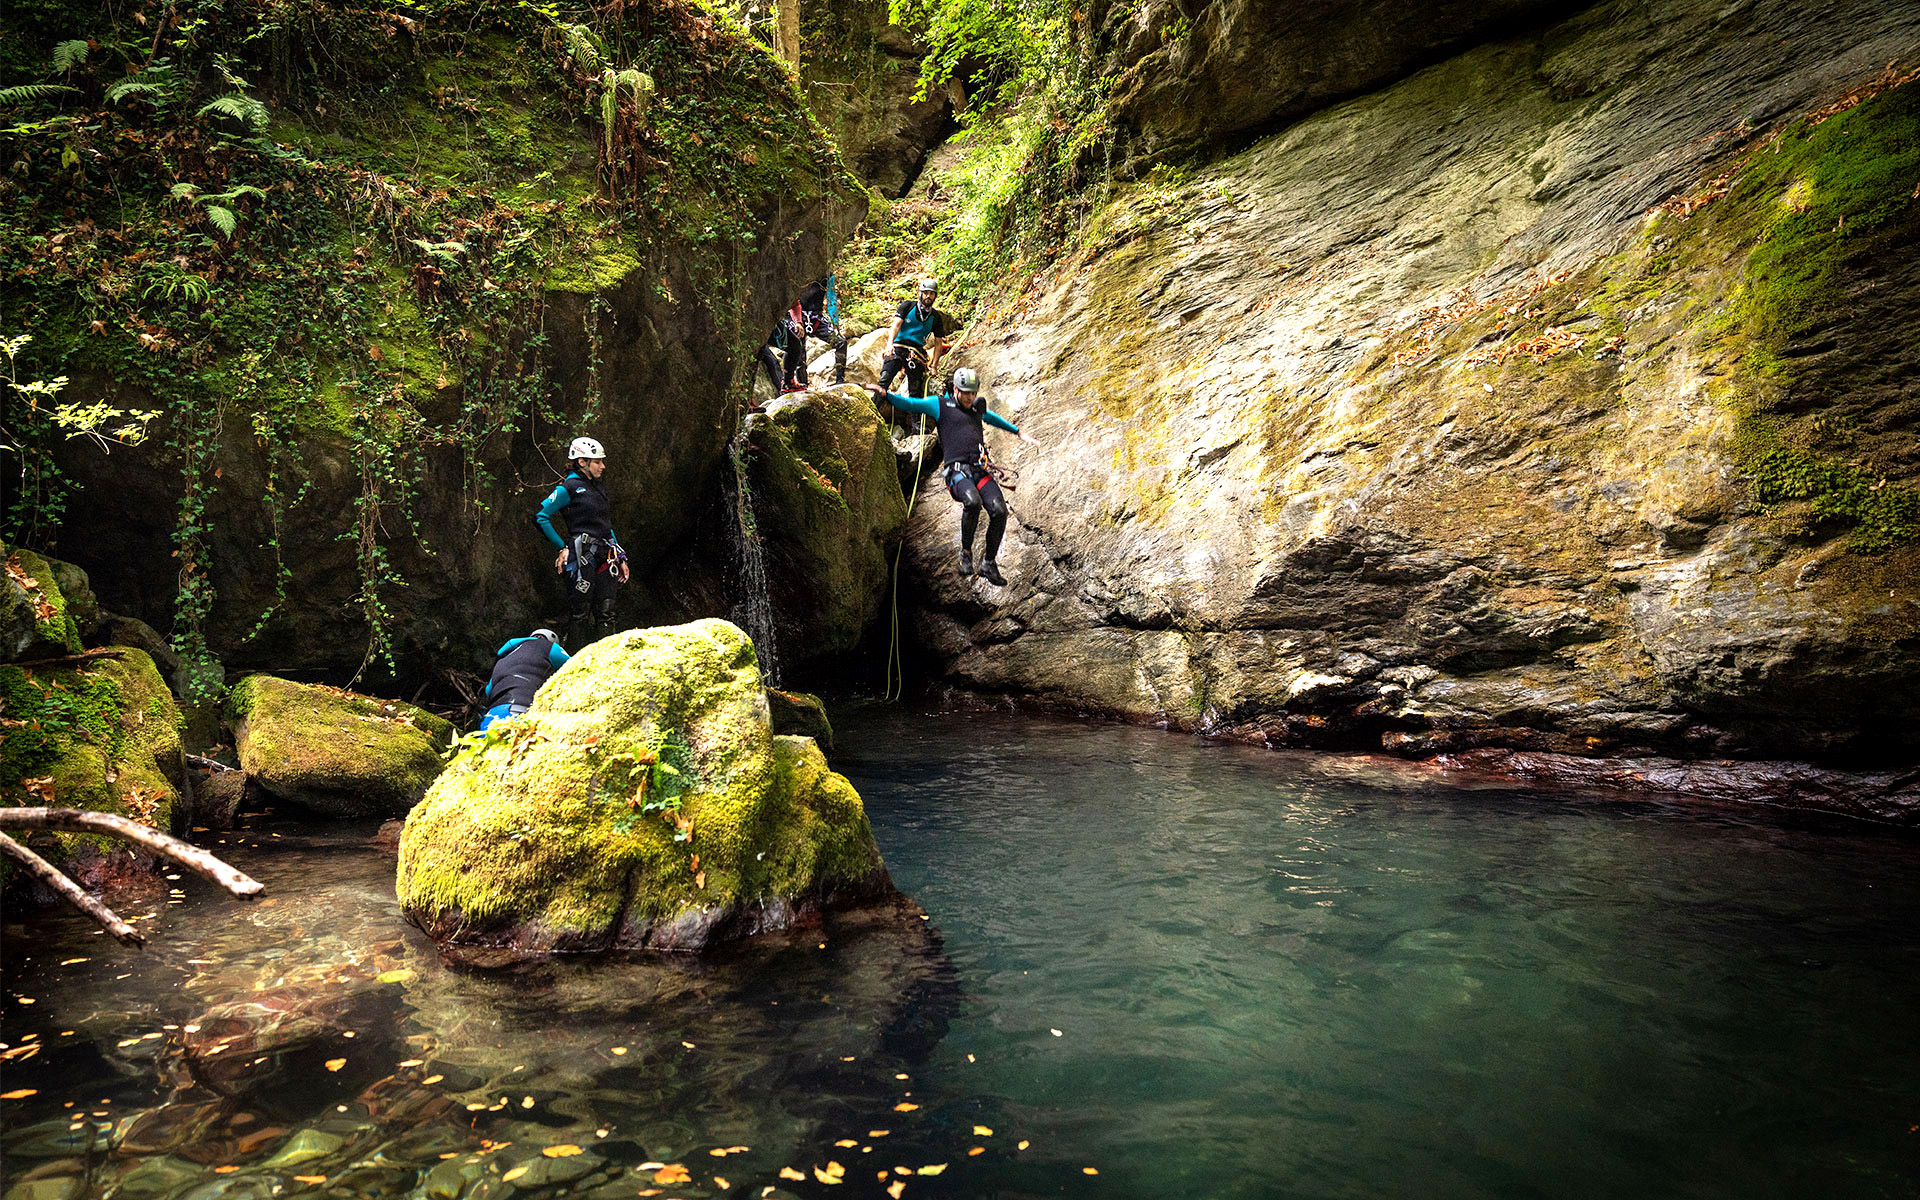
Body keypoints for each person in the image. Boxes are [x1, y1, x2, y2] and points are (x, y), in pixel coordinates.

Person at [866, 367, 1038, 586]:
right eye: (965, 392)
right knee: (972, 501)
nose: (969, 397)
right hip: (956, 472)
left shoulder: (977, 408)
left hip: (979, 470)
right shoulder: (939, 405)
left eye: (973, 393)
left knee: (999, 510)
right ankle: (966, 554)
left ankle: (989, 563)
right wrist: (886, 394)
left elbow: (992, 418)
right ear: (955, 389)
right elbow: (911, 404)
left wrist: (1019, 432)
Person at [535, 436, 630, 646]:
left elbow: (604, 525)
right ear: (582, 462)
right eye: (598, 462)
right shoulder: (567, 488)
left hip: (606, 553)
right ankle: (575, 662)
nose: (603, 466)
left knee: (607, 612)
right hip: (581, 553)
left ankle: (609, 664)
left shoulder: (599, 489)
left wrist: (621, 556)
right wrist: (562, 547)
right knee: (580, 613)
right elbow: (541, 516)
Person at [877, 277, 957, 406]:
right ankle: (873, 410)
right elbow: (896, 326)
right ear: (920, 293)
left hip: (916, 353)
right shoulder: (907, 306)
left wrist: (934, 366)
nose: (928, 296)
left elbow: (938, 343)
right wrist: (889, 344)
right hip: (898, 347)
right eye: (925, 293)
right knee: (885, 379)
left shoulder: (935, 317)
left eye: (931, 294)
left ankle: (917, 423)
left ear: (935, 296)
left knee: (916, 390)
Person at [479, 629, 569, 730]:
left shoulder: (503, 660)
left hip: (491, 718)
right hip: (522, 712)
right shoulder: (549, 647)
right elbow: (576, 663)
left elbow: (486, 694)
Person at [793, 275, 848, 385]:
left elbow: (831, 299)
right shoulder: (797, 270)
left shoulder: (827, 275)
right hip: (798, 318)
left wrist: (835, 323)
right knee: (799, 351)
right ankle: (802, 384)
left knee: (841, 343)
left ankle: (840, 381)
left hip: (816, 318)